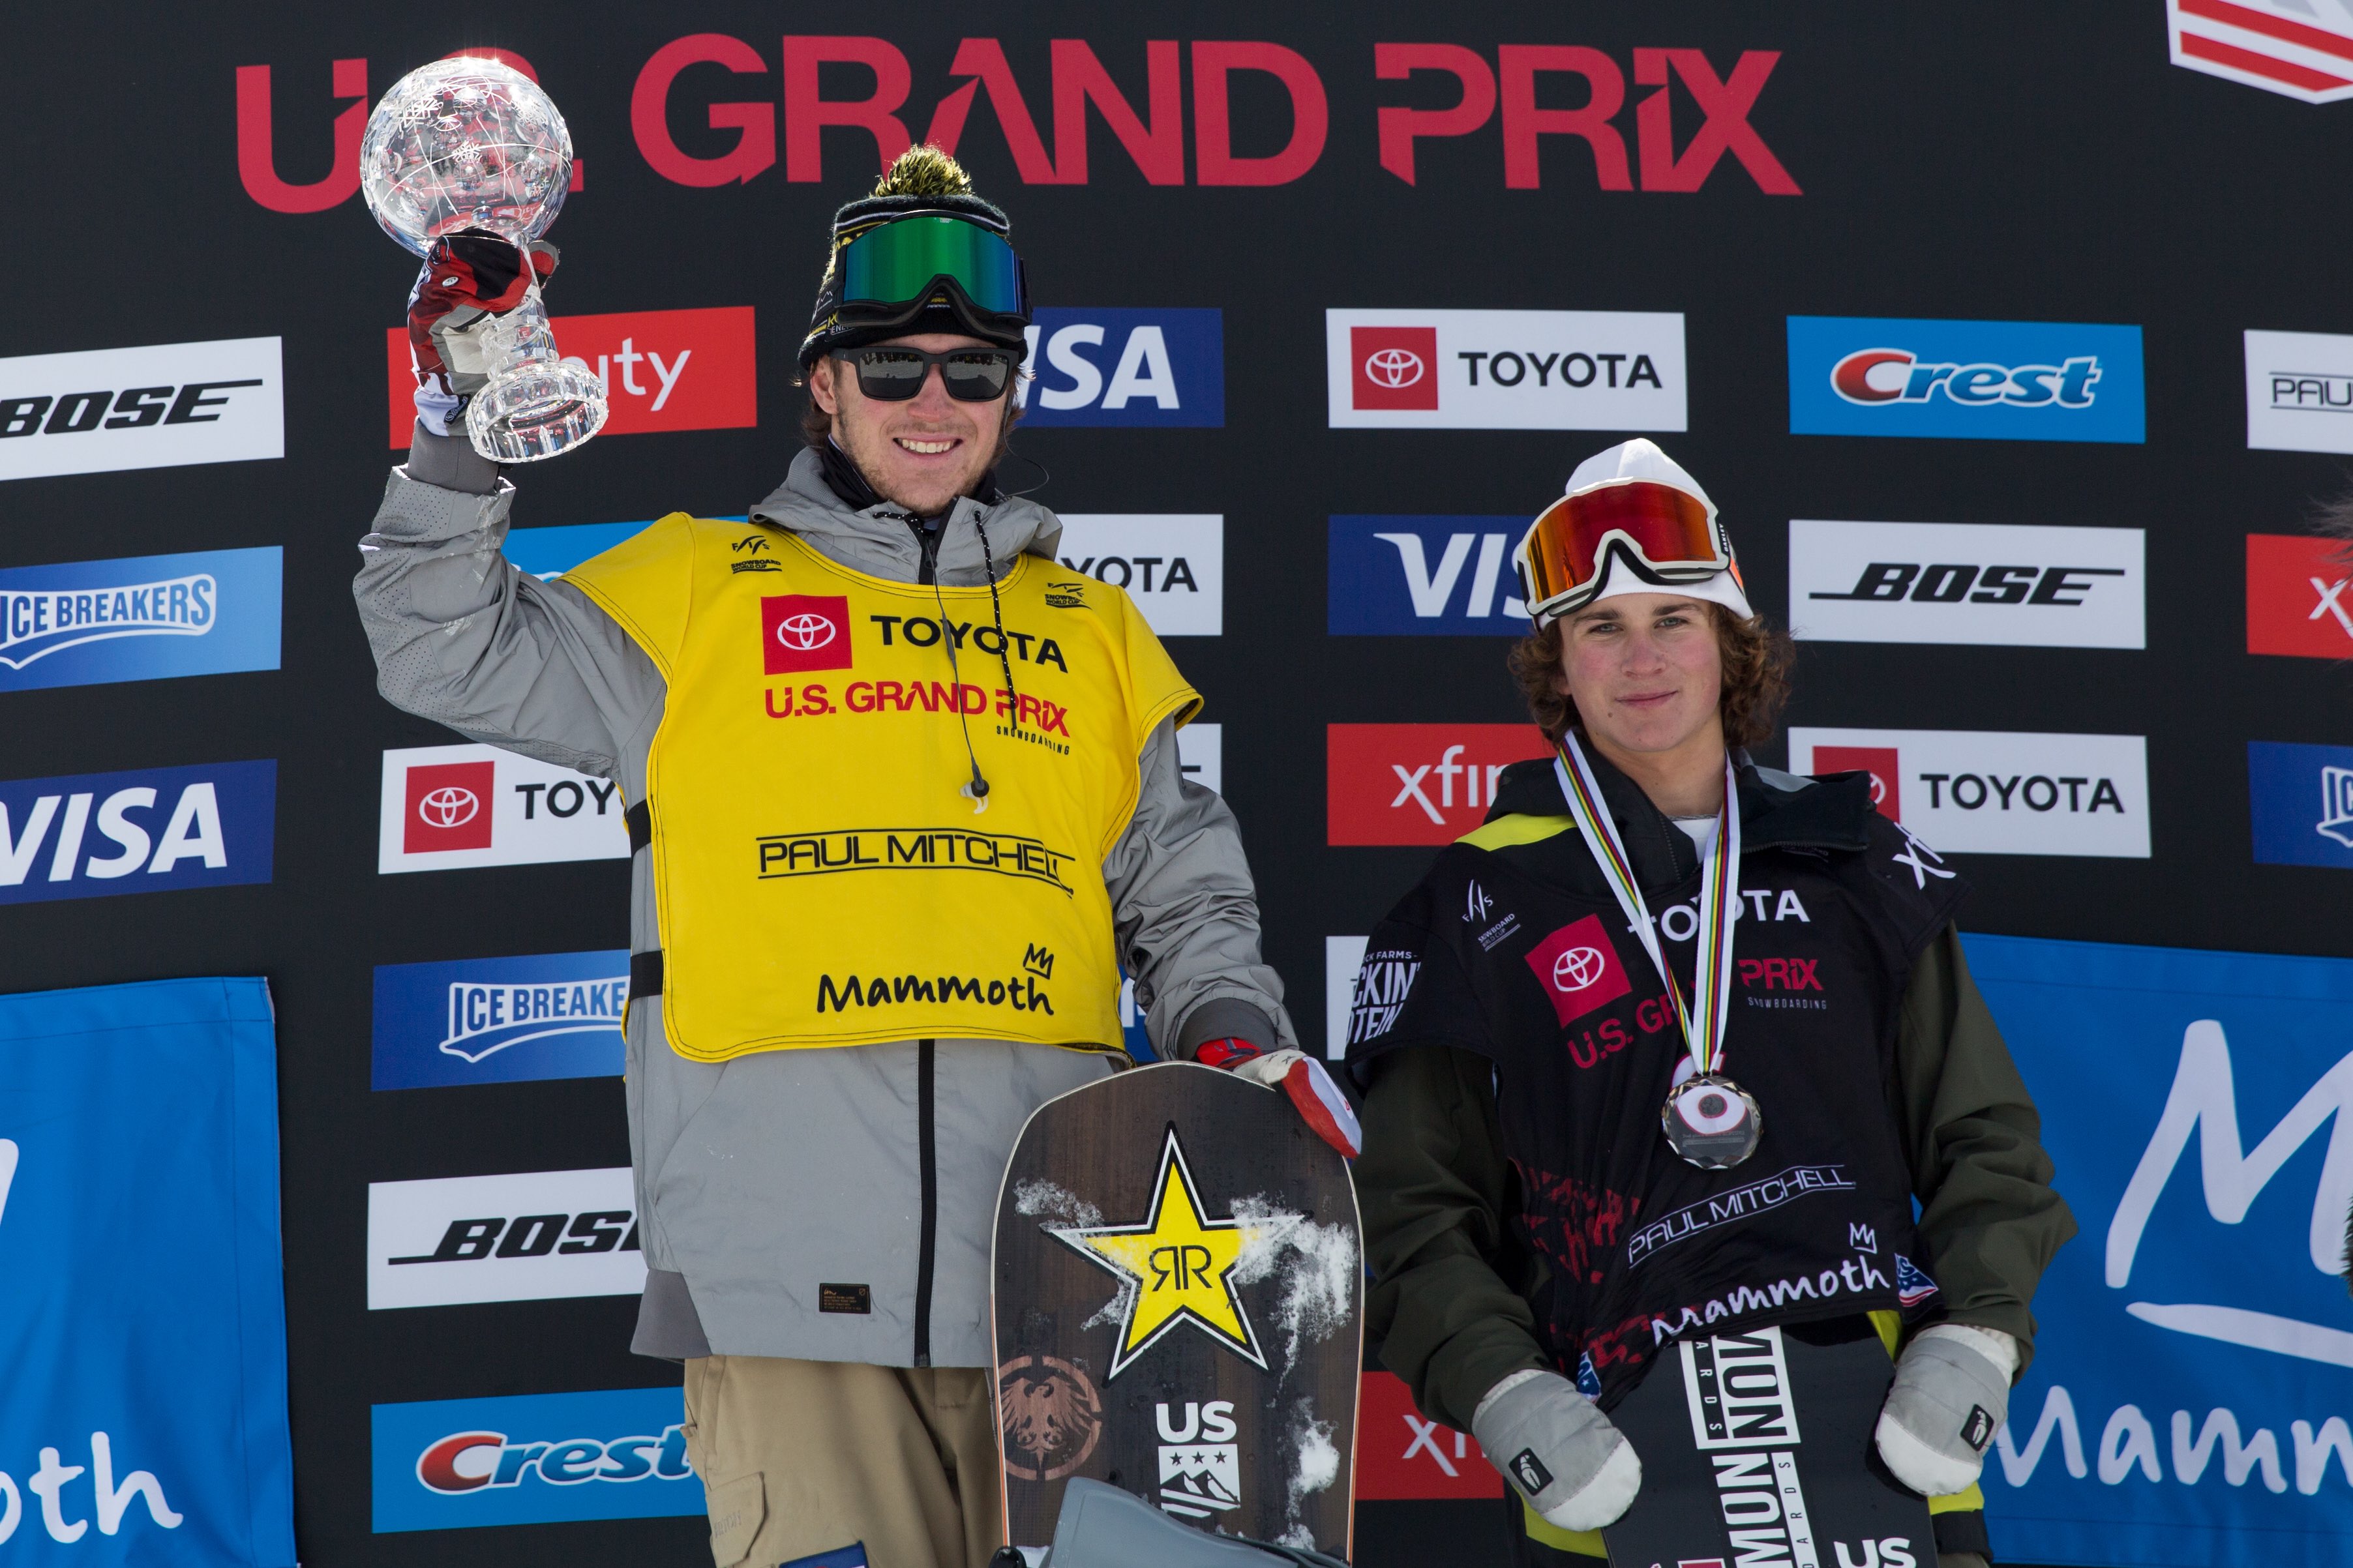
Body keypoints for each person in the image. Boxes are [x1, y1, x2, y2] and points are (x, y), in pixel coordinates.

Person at [354, 146, 1356, 1568]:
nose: (933, 403)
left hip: (1061, 1287)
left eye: (971, 370)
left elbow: (1184, 890)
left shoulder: (1094, 633)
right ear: (822, 384)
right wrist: (460, 411)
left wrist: (1237, 1043)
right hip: (781, 1294)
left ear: (1013, 391)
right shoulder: (694, 589)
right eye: (891, 368)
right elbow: (434, 644)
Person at [1345, 439, 2076, 1568]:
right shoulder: (1474, 900)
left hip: (1881, 1433)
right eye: (1601, 627)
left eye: (1673, 620)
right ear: (1557, 663)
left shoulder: (1855, 861)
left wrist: (1976, 1337)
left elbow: (1985, 1138)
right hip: (1614, 1456)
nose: (1641, 659)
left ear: (1731, 643)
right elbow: (1413, 1210)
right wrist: (1506, 1392)